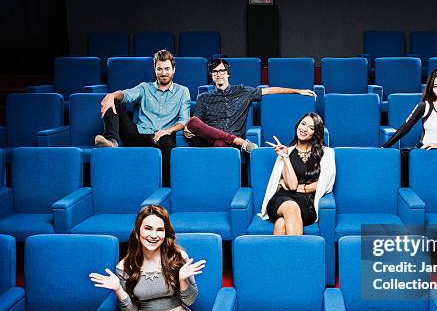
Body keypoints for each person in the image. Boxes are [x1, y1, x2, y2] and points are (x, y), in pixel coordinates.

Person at [94, 50, 190, 187]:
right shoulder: (145, 87)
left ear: (173, 69)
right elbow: (127, 95)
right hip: (138, 134)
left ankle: (165, 187)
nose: (163, 73)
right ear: (155, 69)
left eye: (167, 69)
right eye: (160, 69)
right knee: (113, 101)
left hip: (162, 136)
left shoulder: (183, 91)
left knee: (167, 140)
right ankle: (111, 140)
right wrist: (112, 95)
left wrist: (167, 131)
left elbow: (184, 120)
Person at [184, 58, 316, 152]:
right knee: (192, 122)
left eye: (222, 71)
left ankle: (232, 141)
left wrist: (298, 91)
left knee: (221, 143)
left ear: (228, 73)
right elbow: (197, 121)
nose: (219, 74)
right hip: (209, 139)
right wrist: (188, 129)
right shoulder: (204, 97)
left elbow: (269, 90)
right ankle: (238, 141)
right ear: (211, 76)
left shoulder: (243, 91)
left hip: (225, 142)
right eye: (215, 72)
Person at [259, 112, 335, 235]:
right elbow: (293, 185)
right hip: (281, 200)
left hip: (307, 205)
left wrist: (301, 188)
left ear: (315, 133)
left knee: (281, 224)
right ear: (297, 125)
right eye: (303, 124)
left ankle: (278, 255)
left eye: (311, 128)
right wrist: (286, 157)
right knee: (290, 207)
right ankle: (301, 254)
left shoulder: (327, 154)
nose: (304, 129)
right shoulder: (286, 152)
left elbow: (324, 185)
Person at [382, 67, 437, 149]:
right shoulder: (425, 106)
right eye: (435, 86)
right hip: (422, 152)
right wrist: (384, 148)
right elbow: (404, 129)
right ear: (431, 88)